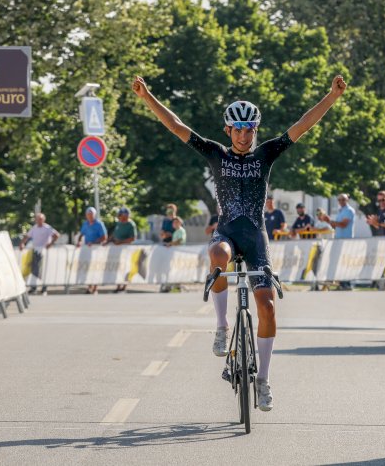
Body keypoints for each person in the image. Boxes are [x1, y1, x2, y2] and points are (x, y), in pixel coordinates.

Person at [132, 73, 347, 411]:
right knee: (216, 252)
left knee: (268, 306)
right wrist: (148, 97)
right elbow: (176, 126)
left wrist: (330, 98)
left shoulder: (266, 154)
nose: (246, 135)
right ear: (228, 131)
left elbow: (302, 125)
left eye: (251, 129)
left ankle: (262, 379)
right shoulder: (216, 154)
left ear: (255, 131)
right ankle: (221, 326)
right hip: (228, 232)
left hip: (256, 237)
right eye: (239, 129)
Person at [19, 213, 59, 294]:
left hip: (44, 252)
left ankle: (44, 287)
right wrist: (22, 243)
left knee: (43, 270)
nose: (39, 221)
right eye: (37, 219)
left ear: (43, 220)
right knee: (34, 269)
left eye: (40, 219)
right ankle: (34, 287)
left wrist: (50, 244)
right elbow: (27, 236)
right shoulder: (34, 228)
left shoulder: (47, 228)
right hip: (35, 251)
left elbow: (56, 235)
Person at [77, 206, 107, 294]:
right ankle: (89, 286)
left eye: (91, 215)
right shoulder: (85, 224)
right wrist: (79, 242)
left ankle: (95, 287)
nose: (90, 216)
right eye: (88, 215)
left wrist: (93, 242)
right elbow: (81, 235)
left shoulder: (99, 224)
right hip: (87, 250)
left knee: (95, 268)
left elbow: (104, 237)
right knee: (88, 269)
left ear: (94, 215)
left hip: (96, 250)